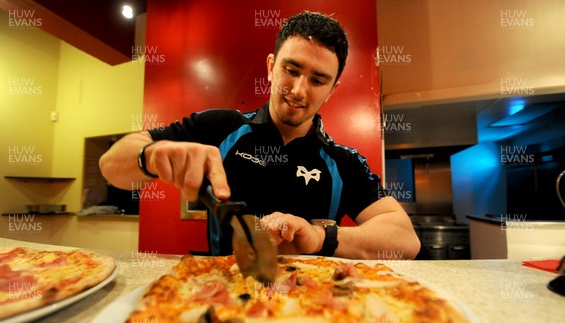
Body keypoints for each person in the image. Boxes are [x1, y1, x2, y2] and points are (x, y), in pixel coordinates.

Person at [100, 11, 420, 260]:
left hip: (315, 311)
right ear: (270, 67)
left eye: (318, 79)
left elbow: (406, 240)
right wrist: (149, 157)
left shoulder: (344, 162)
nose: (298, 90)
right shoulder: (220, 126)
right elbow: (111, 166)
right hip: (220, 305)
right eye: (291, 70)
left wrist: (320, 237)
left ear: (333, 89)